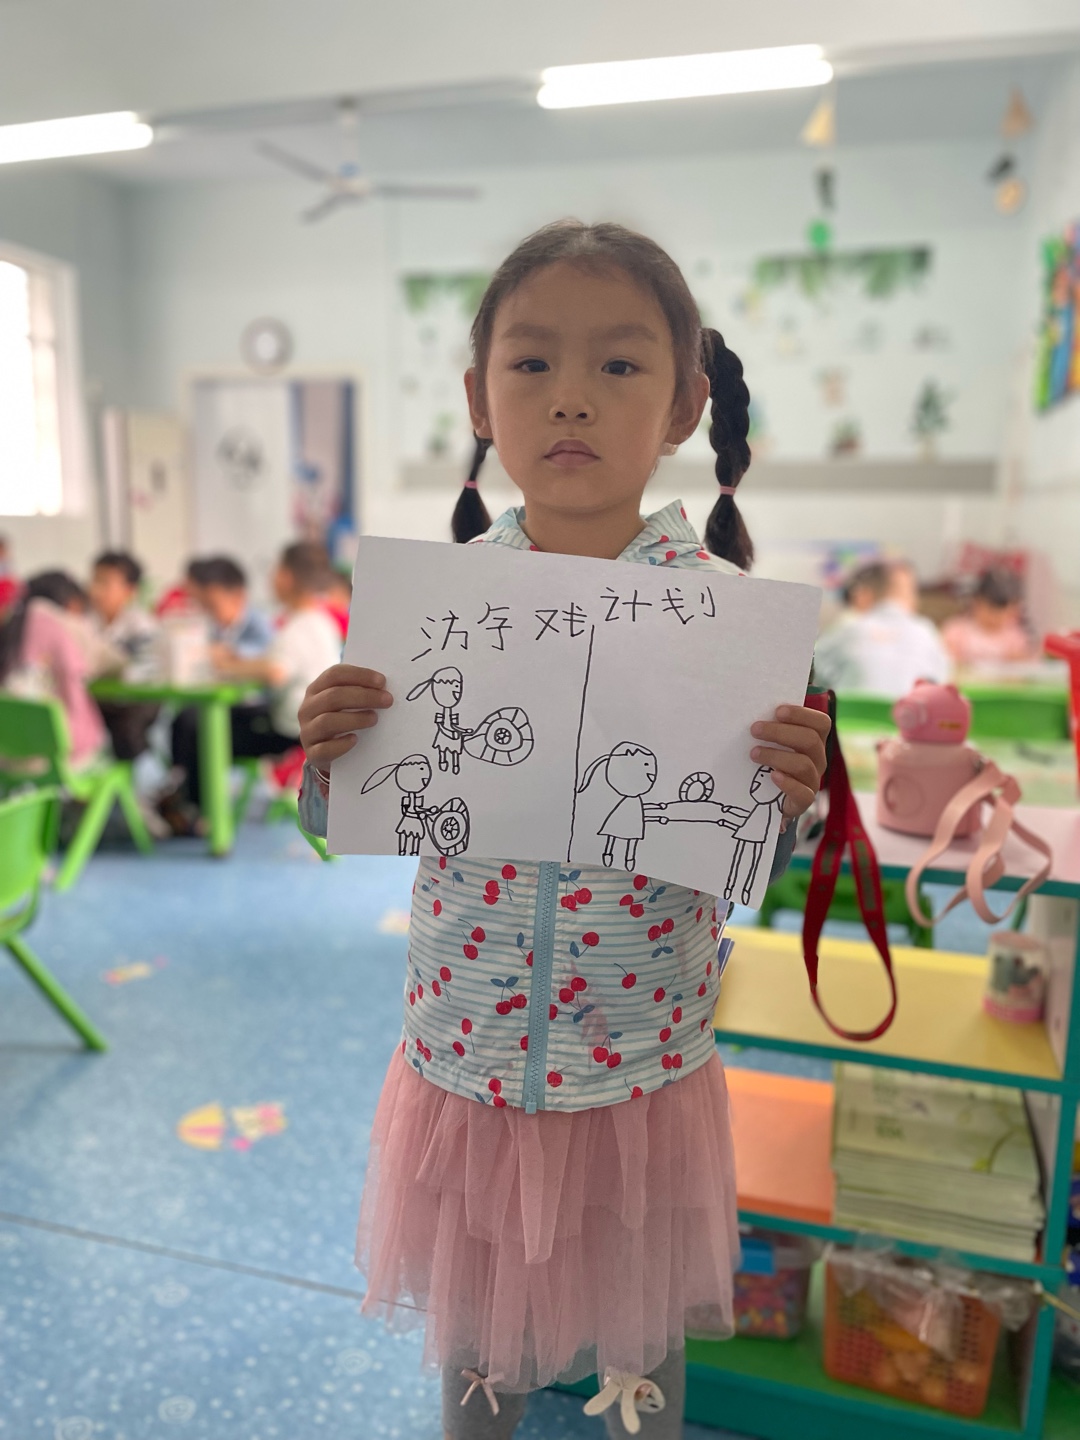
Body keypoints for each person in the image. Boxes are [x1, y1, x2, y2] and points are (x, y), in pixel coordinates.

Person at [295, 220, 831, 1440]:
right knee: (476, 1349)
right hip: (468, 1058)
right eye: (531, 363)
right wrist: (328, 760)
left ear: (686, 404)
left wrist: (789, 801)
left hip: (639, 1073)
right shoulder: (430, 612)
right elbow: (345, 816)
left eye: (620, 364)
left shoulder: (733, 627)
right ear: (479, 398)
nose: (571, 396)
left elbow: (750, 854)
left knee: (638, 1356)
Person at [163, 541, 341, 828]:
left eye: (275, 570)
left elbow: (275, 671)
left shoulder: (299, 626)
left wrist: (227, 665)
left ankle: (199, 811)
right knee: (194, 720)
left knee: (202, 729)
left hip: (290, 727)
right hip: (304, 721)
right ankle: (185, 797)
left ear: (286, 577)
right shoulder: (317, 621)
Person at [0, 571, 106, 765]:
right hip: (59, 755)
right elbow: (86, 669)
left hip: (8, 755)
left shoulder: (11, 632)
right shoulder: (53, 623)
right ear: (68, 603)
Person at [813, 558, 951, 698]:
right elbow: (940, 685)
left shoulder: (846, 630)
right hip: (907, 711)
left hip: (850, 711)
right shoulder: (927, 632)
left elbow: (814, 676)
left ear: (863, 593)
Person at [88, 550, 161, 760]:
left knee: (128, 731)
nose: (96, 590)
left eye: (105, 583)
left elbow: (145, 668)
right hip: (102, 699)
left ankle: (143, 771)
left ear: (130, 591)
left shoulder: (141, 626)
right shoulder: (86, 622)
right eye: (94, 580)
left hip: (137, 700)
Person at [942, 567, 1033, 667]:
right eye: (990, 612)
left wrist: (1019, 659)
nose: (994, 619)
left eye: (1002, 614)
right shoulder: (956, 632)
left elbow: (1023, 664)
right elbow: (948, 662)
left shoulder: (1014, 636)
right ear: (977, 603)